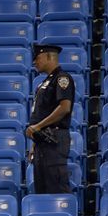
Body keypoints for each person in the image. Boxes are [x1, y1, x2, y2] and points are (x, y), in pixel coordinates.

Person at [25, 44, 75, 194]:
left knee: (56, 185)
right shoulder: (44, 82)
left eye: (38, 58)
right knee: (42, 187)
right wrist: (35, 141)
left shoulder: (62, 78)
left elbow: (64, 107)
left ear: (49, 57)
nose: (34, 62)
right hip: (42, 140)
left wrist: (38, 127)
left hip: (54, 138)